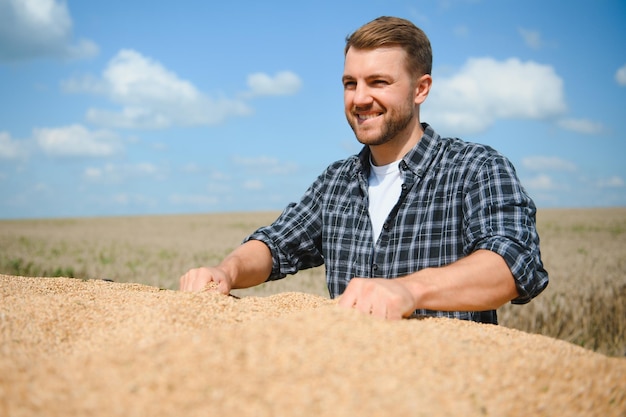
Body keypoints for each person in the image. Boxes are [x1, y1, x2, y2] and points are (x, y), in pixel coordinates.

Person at [180, 16, 549, 323]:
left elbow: (514, 263)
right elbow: (274, 245)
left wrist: (409, 290)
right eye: (349, 83)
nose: (359, 98)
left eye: (378, 82)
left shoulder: (476, 169)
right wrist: (226, 272)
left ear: (421, 89)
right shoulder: (336, 183)